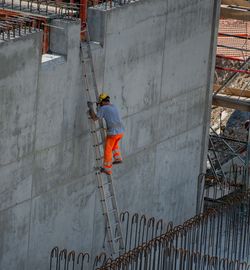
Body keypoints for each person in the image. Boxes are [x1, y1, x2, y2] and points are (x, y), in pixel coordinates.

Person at [88, 93, 125, 175]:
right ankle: (118, 158)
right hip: (121, 132)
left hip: (113, 133)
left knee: (108, 149)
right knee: (114, 145)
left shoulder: (103, 108)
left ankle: (107, 169)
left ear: (102, 101)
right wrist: (99, 108)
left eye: (100, 102)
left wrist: (91, 108)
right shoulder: (113, 106)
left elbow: (94, 118)